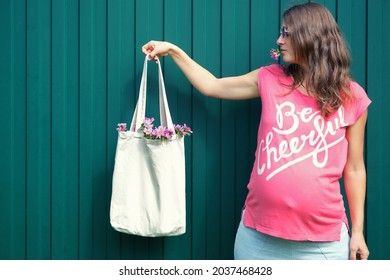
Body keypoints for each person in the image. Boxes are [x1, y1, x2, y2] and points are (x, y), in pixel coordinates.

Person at [142, 2, 370, 260]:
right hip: (258, 239)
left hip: (324, 244)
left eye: (286, 33)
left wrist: (358, 232)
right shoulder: (269, 78)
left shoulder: (351, 96)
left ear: (310, 36)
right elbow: (213, 86)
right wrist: (173, 51)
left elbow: (354, 168)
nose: (278, 40)